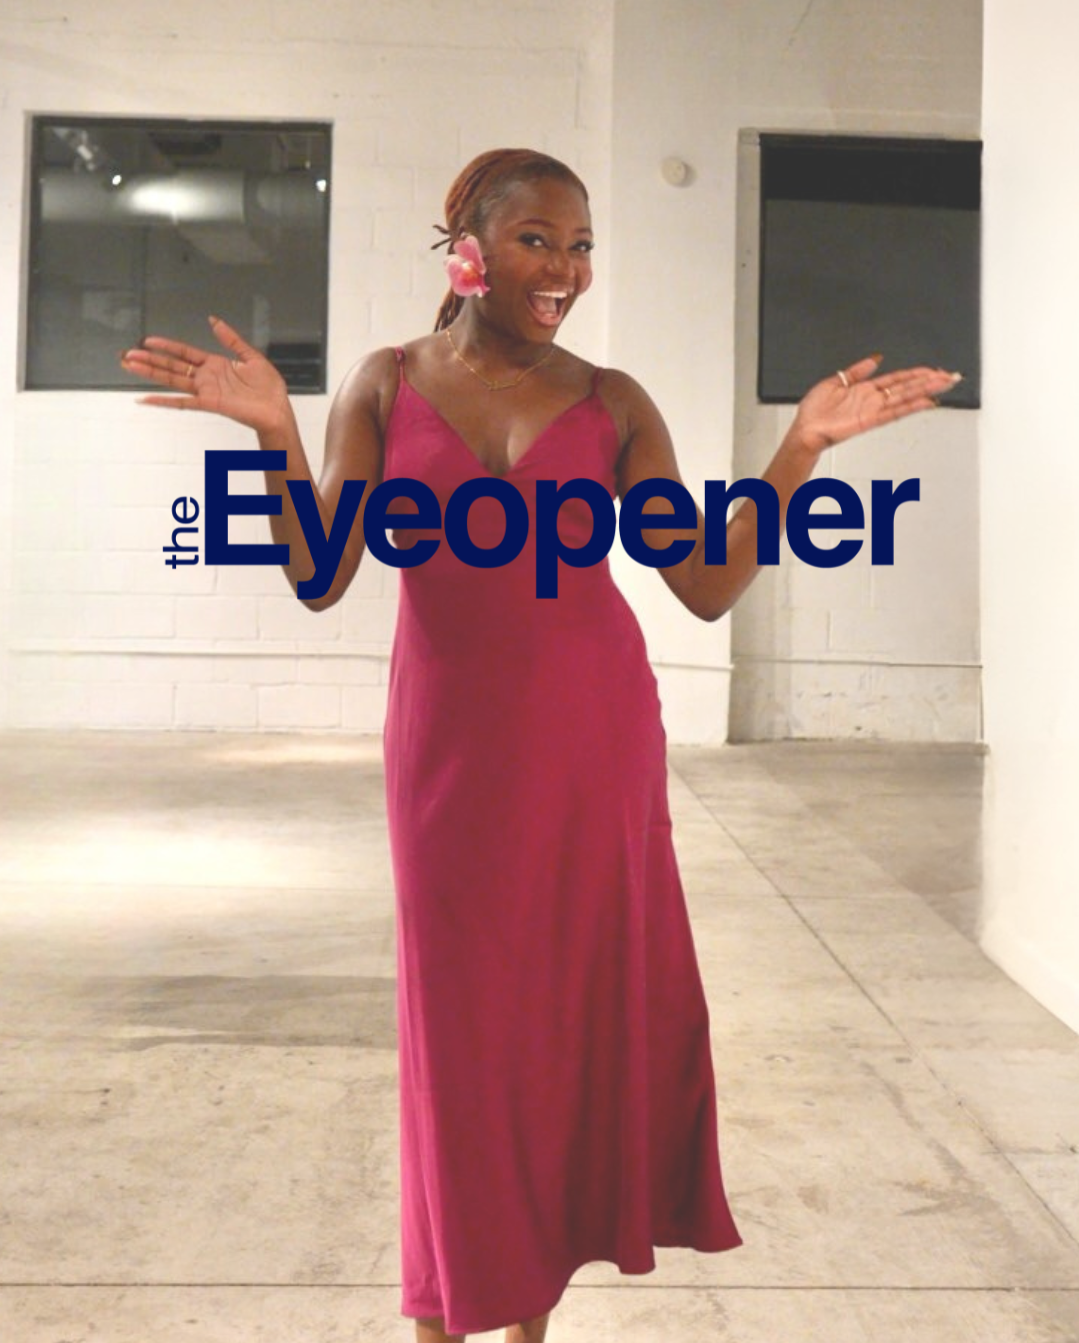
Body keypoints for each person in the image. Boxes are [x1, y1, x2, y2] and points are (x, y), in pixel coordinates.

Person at [120, 148, 961, 1343]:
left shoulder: (614, 400)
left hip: (593, 744)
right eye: (538, 240)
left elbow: (704, 586)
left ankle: (529, 1319)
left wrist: (799, 450)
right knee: (463, 1036)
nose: (566, 268)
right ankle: (448, 1308)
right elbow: (319, 572)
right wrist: (273, 433)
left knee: (569, 1024)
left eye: (580, 245)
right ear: (467, 250)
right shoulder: (384, 382)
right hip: (449, 752)